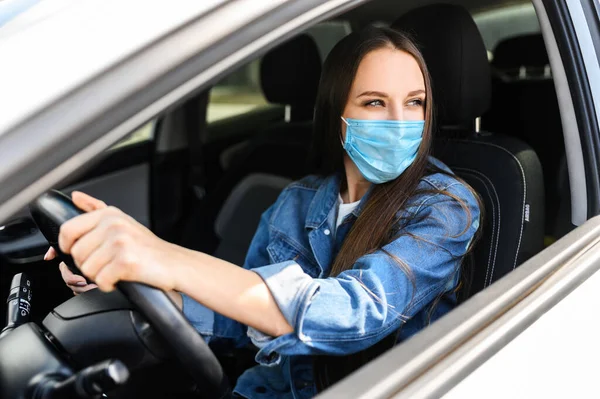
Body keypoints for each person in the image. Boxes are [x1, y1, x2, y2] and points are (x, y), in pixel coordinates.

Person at [46, 26, 481, 398]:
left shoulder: (447, 209)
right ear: (337, 112)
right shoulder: (296, 201)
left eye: (415, 103)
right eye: (373, 102)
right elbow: (237, 313)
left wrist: (163, 255)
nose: (400, 121)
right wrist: (124, 276)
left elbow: (354, 312)